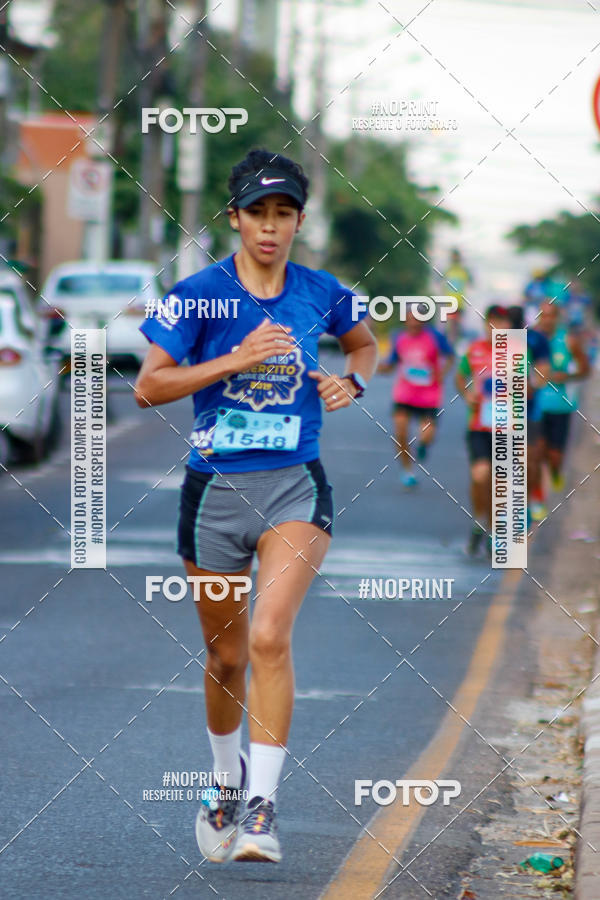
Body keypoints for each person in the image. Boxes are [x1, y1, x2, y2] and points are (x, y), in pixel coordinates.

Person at [134, 149, 377, 864]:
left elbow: (365, 345)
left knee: (270, 636)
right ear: (234, 218)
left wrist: (350, 385)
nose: (269, 228)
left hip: (295, 486)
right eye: (257, 214)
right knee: (225, 654)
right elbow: (149, 386)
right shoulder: (196, 296)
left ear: (299, 221)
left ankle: (264, 813)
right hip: (212, 493)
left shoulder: (321, 291)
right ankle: (224, 780)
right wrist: (234, 360)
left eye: (283, 214)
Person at [456, 305, 511, 557]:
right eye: (492, 324)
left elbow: (530, 384)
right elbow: (460, 376)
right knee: (480, 476)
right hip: (478, 425)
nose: (496, 329)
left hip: (507, 427)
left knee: (499, 483)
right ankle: (479, 520)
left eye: (501, 324)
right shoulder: (474, 350)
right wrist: (468, 395)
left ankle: (493, 530)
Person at [378, 304, 454, 487]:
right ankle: (406, 470)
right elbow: (393, 360)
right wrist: (384, 368)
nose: (412, 323)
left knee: (427, 434)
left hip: (429, 394)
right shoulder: (399, 337)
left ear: (423, 320)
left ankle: (423, 446)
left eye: (416, 319)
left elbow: (450, 356)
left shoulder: (435, 337)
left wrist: (442, 374)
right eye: (409, 318)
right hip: (404, 393)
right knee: (400, 431)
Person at [536, 300, 590, 492]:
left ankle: (556, 473)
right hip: (535, 406)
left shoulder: (568, 341)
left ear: (557, 318)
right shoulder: (529, 339)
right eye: (543, 315)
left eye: (551, 316)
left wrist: (567, 376)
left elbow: (585, 370)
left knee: (554, 456)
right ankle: (537, 498)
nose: (546, 320)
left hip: (561, 405)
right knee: (537, 452)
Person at [506, 305, 551, 523]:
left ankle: (526, 503)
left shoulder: (536, 340)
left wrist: (531, 384)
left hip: (528, 409)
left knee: (529, 460)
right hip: (499, 410)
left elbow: (543, 371)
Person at [443, 248, 472, 344]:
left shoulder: (463, 271)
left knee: (458, 327)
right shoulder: (448, 271)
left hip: (460, 303)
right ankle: (451, 345)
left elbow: (471, 281)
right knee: (451, 327)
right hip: (450, 303)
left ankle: (457, 344)